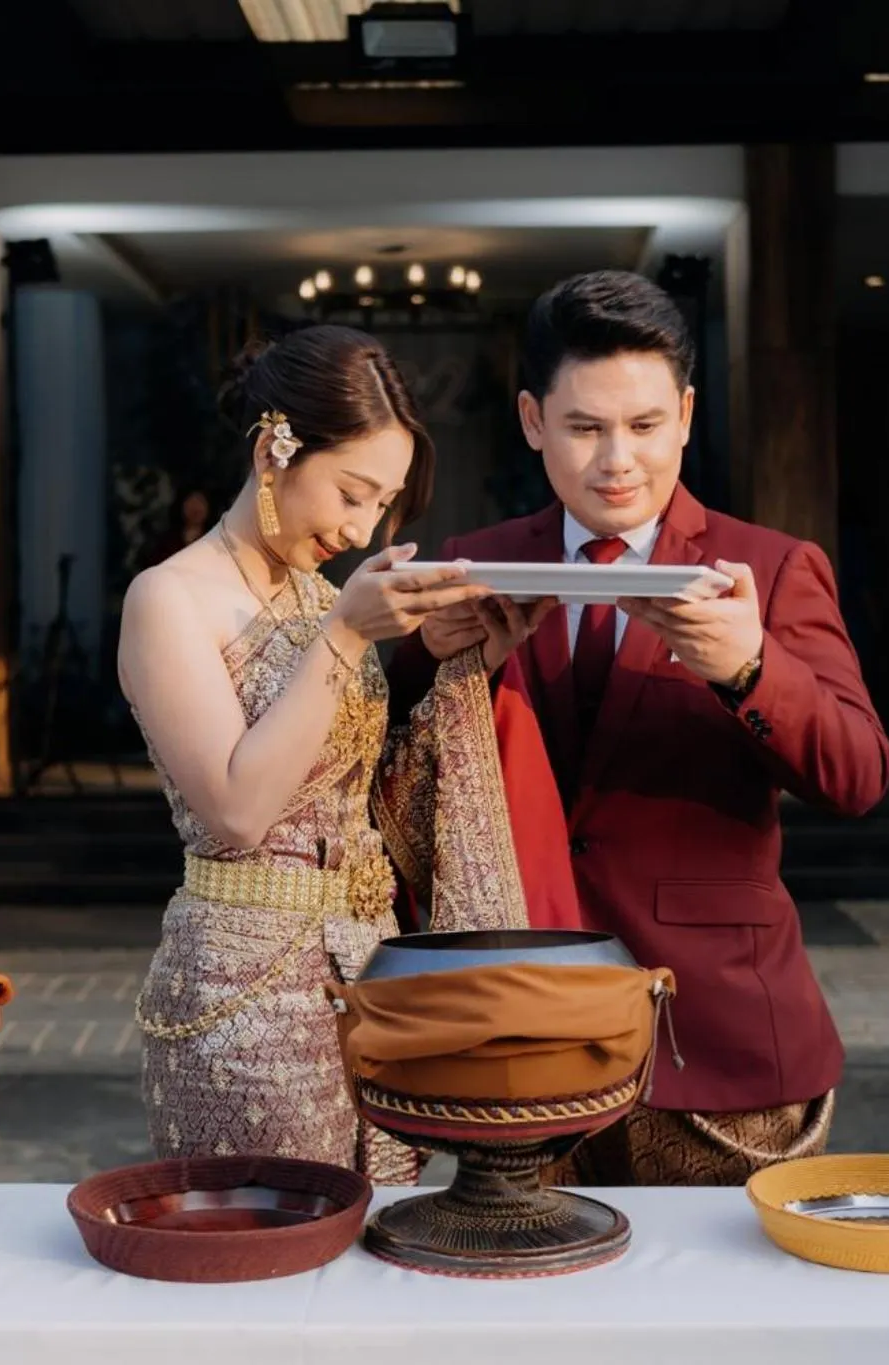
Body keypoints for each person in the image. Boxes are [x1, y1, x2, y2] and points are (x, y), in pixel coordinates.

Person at [391, 270, 889, 1186]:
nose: (617, 459)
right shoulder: (477, 563)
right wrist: (430, 657)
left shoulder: (772, 568)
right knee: (535, 1307)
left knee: (722, 1319)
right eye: (584, 428)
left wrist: (749, 666)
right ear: (533, 420)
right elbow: (383, 769)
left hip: (720, 1033)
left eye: (645, 425)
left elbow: (859, 774)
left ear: (689, 414)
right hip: (523, 1023)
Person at [117, 324, 578, 1183]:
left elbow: (359, 798)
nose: (363, 526)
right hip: (242, 994)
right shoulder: (168, 598)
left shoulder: (323, 599)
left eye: (383, 504)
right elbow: (237, 808)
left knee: (375, 1260)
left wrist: (463, 662)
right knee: (268, 1258)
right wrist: (343, 634)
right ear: (274, 447)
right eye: (352, 492)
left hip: (368, 972)